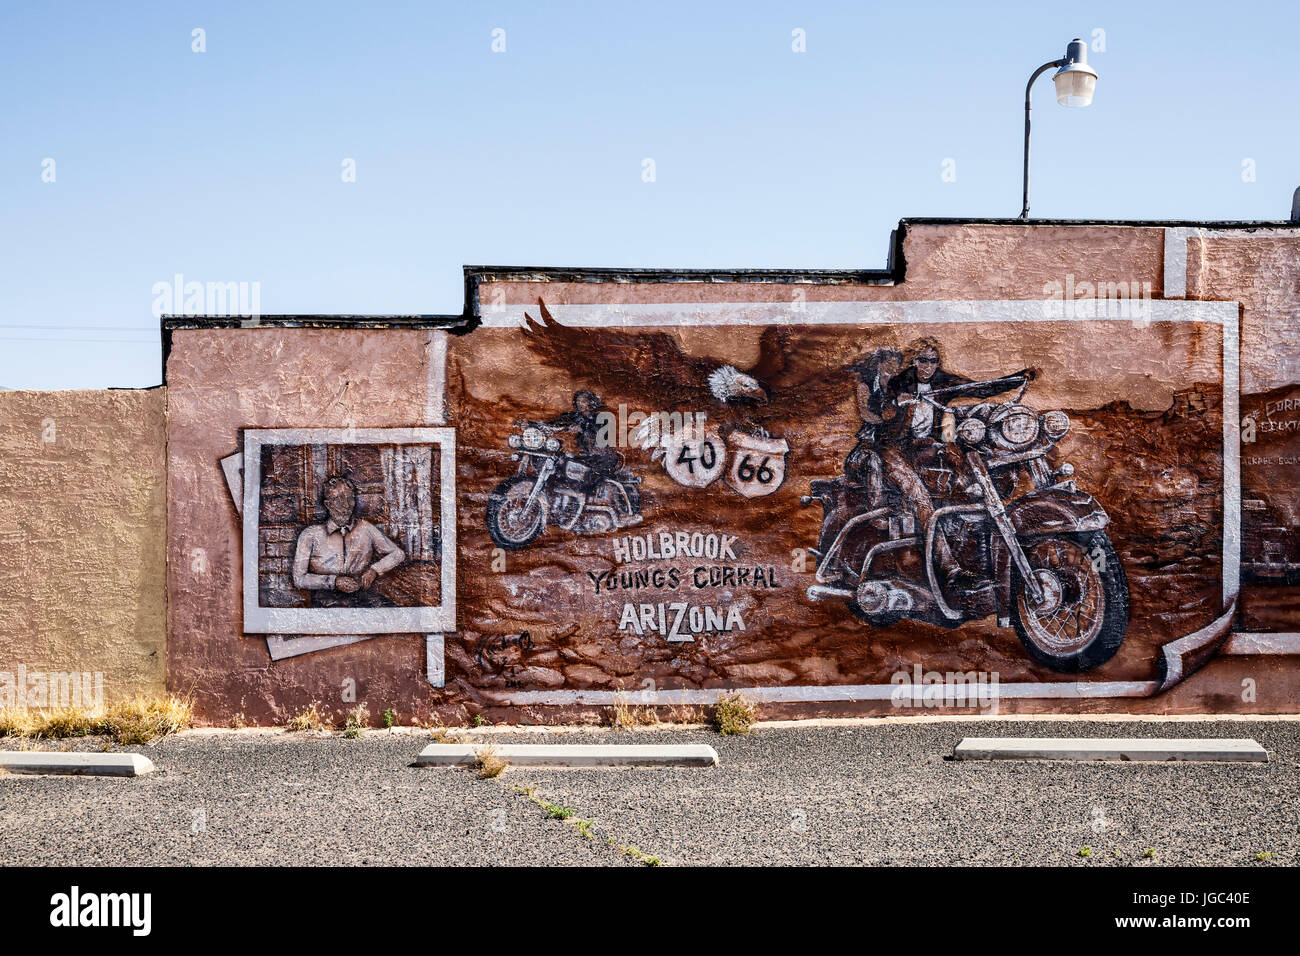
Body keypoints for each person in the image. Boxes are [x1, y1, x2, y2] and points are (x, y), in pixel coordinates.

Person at [880, 338, 991, 595]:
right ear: (914, 361)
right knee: (919, 497)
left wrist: (1019, 378)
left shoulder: (942, 380)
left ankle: (978, 560)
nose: (928, 366)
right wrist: (898, 402)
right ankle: (950, 570)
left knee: (968, 476)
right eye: (923, 360)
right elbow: (882, 412)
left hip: (925, 445)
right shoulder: (899, 382)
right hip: (894, 449)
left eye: (933, 361)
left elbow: (978, 388)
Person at [292, 475, 405, 608]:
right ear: (328, 504)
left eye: (350, 498)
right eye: (339, 499)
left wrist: (375, 570)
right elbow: (299, 579)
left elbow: (398, 554)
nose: (346, 505)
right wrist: (334, 582)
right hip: (325, 603)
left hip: (361, 598)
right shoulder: (310, 534)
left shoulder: (365, 528)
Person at [844, 347, 902, 499]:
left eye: (896, 368)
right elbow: (865, 414)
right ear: (879, 365)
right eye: (889, 366)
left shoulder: (899, 388)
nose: (893, 371)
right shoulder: (865, 387)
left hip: (894, 441)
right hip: (871, 441)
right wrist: (885, 421)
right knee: (873, 461)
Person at [548, 389, 621, 494]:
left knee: (589, 477)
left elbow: (600, 436)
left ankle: (583, 496)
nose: (580, 404)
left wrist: (582, 429)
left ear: (591, 402)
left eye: (583, 401)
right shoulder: (574, 416)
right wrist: (531, 424)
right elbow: (554, 423)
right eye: (578, 401)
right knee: (560, 464)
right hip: (585, 456)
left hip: (602, 457)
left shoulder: (602, 418)